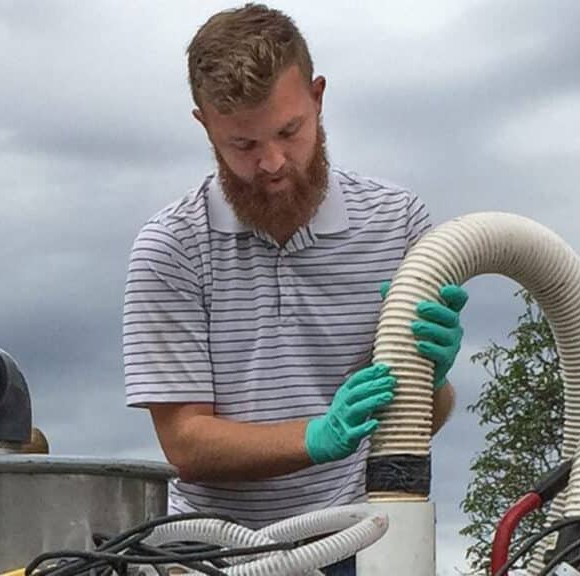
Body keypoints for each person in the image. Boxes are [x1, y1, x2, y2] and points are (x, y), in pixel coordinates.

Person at [122, 4, 467, 574]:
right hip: (214, 554)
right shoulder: (171, 247)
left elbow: (415, 422)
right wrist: (316, 436)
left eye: (289, 131)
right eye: (243, 144)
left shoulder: (399, 223)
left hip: (356, 545)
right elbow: (185, 442)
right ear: (205, 126)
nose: (273, 163)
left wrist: (430, 380)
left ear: (318, 96)